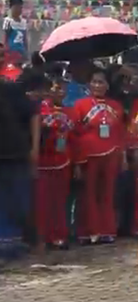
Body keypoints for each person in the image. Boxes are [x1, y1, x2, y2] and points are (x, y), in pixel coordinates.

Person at [72, 68, 126, 244]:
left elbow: (120, 132)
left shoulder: (116, 106)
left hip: (111, 154)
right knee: (88, 194)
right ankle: (88, 231)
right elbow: (75, 133)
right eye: (94, 81)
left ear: (107, 85)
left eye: (101, 82)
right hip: (88, 155)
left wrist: (123, 157)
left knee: (107, 193)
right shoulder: (80, 105)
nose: (97, 85)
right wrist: (78, 160)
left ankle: (106, 230)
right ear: (88, 84)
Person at [0, 68, 40, 260]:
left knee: (20, 203)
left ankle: (20, 243)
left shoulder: (10, 90)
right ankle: (6, 246)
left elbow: (34, 115)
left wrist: (34, 148)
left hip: (17, 154)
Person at [35, 74, 76, 250]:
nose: (60, 91)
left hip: (63, 160)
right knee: (43, 202)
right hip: (43, 161)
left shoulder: (69, 111)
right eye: (56, 87)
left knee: (60, 201)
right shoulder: (40, 110)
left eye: (63, 87)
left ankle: (60, 235)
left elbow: (73, 138)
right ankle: (43, 237)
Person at [2, 0, 27, 64]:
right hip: (11, 52)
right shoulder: (8, 21)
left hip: (21, 52)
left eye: (21, 8)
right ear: (12, 8)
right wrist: (6, 51)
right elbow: (5, 38)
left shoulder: (23, 22)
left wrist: (26, 51)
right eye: (17, 8)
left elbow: (25, 38)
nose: (19, 10)